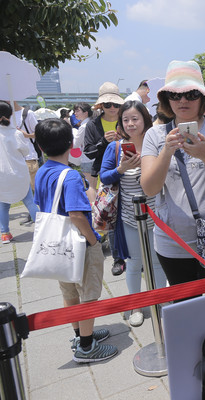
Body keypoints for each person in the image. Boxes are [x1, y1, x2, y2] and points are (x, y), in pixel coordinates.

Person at [140, 60, 205, 286]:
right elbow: (149, 188)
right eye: (175, 95)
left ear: (203, 98)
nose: (183, 100)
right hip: (173, 242)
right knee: (185, 310)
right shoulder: (155, 135)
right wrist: (167, 151)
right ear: (166, 99)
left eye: (191, 93)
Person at [34, 118, 118, 363]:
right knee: (89, 293)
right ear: (71, 144)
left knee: (69, 291)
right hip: (78, 243)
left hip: (56, 243)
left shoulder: (42, 171)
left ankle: (81, 333)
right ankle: (86, 347)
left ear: (40, 146)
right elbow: (76, 214)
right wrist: (93, 241)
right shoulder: (70, 176)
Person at [99, 101, 168, 327]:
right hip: (129, 217)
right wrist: (121, 169)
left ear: (145, 119)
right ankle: (135, 307)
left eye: (135, 119)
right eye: (126, 120)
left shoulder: (155, 143)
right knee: (134, 262)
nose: (130, 124)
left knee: (158, 262)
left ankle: (160, 302)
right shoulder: (116, 148)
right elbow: (104, 176)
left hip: (157, 216)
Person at [83, 81, 126, 276]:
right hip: (105, 174)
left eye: (116, 104)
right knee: (112, 216)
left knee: (131, 215)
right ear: (100, 106)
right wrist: (104, 141)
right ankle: (118, 258)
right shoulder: (93, 124)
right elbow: (89, 152)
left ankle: (135, 254)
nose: (112, 108)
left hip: (130, 171)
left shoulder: (128, 118)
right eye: (107, 105)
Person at [0, 101, 39, 243]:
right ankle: (41, 229)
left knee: (3, 204)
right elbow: (26, 151)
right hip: (19, 173)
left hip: (2, 175)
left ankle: (4, 233)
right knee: (29, 201)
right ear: (10, 114)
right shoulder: (16, 133)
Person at [72, 103, 97, 204]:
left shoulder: (84, 126)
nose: (75, 113)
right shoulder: (93, 123)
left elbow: (75, 144)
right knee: (96, 185)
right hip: (96, 157)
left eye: (78, 111)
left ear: (86, 113)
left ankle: (94, 208)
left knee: (90, 185)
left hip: (87, 158)